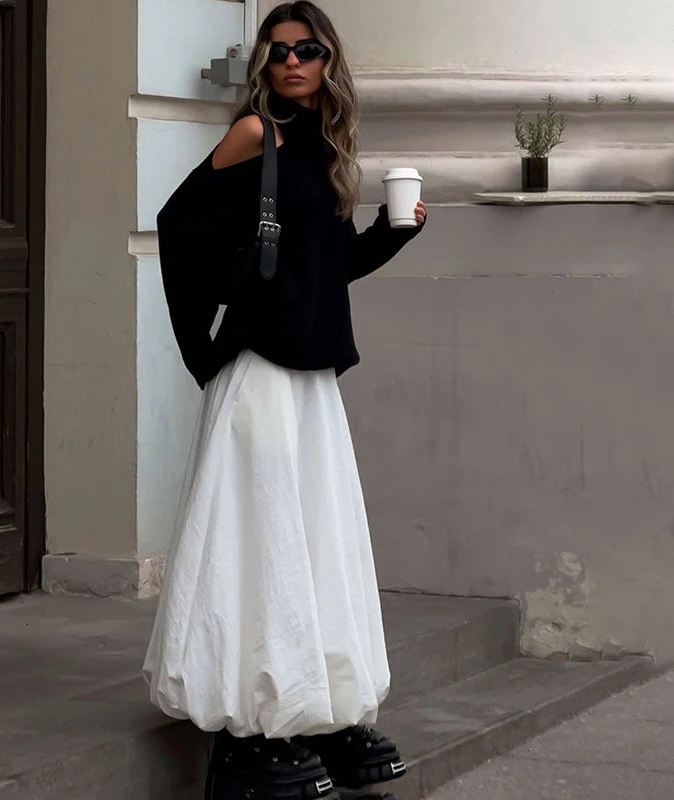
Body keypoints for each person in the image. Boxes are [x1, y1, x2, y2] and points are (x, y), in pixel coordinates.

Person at [143, 3, 427, 798]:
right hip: (262, 374)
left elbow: (327, 269)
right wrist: (214, 338)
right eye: (279, 53)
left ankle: (317, 713)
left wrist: (393, 233)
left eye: (308, 51)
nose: (294, 63)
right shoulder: (252, 138)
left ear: (329, 62)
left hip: (312, 380)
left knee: (313, 540)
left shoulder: (327, 151)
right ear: (262, 66)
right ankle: (248, 728)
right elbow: (176, 226)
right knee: (261, 539)